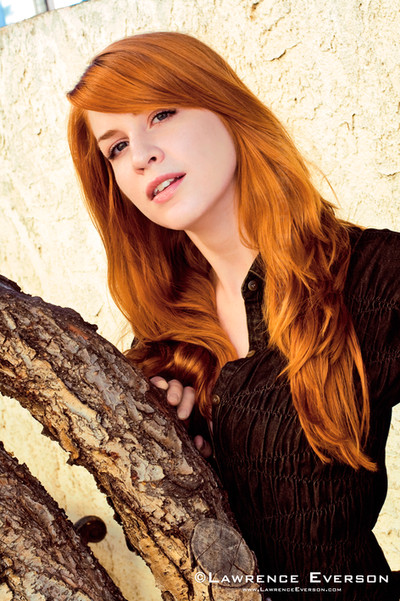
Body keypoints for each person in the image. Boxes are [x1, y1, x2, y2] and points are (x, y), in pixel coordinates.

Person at [66, 31, 399, 600]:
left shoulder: (371, 276)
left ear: (223, 106)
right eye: (116, 147)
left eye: (160, 114)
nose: (141, 155)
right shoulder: (163, 342)